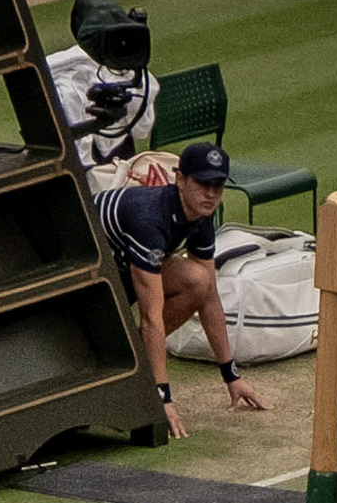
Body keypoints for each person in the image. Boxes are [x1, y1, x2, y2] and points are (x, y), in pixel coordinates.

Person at [94, 140, 266, 438]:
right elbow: (151, 318)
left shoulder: (200, 217)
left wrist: (231, 375)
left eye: (218, 185)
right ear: (180, 179)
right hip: (84, 271)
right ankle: (134, 369)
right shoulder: (149, 219)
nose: (211, 194)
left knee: (199, 281)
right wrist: (163, 398)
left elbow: (209, 296)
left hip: (118, 265)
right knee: (147, 316)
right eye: (203, 184)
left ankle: (131, 360)